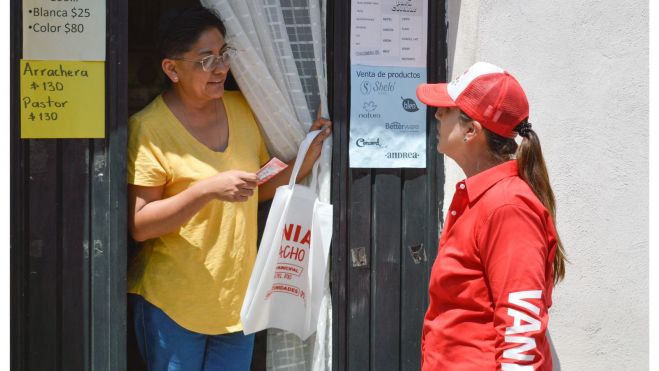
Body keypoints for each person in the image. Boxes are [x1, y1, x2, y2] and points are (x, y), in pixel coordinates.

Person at [126, 6, 331, 370]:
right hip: (174, 306)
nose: (220, 68)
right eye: (205, 60)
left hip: (237, 304)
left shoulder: (242, 108)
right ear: (171, 69)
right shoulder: (150, 127)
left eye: (223, 55)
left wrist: (304, 161)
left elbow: (252, 191)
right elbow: (141, 224)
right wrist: (205, 190)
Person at [416, 62, 566, 370]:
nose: (437, 115)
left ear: (472, 130)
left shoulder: (508, 207)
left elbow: (521, 336)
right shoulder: (482, 199)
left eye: (447, 109)